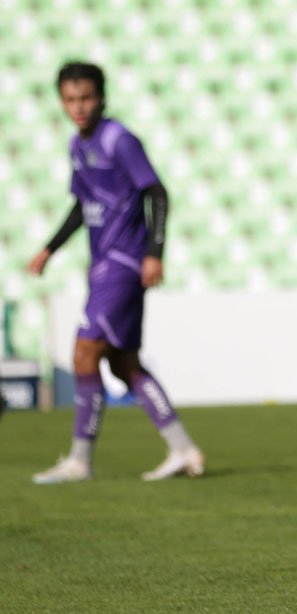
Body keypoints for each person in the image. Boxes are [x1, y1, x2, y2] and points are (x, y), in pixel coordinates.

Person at [28, 62, 203, 484]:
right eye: (70, 99)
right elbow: (82, 205)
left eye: (86, 97)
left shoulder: (119, 140)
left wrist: (154, 253)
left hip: (123, 264)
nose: (79, 107)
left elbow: (156, 191)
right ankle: (183, 449)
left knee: (84, 353)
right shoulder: (77, 145)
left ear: (101, 98)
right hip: (103, 265)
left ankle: (79, 460)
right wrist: (49, 248)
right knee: (126, 366)